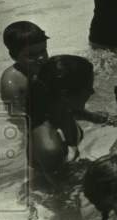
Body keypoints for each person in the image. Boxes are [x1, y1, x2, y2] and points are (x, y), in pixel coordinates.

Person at [27, 55, 98, 183]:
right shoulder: (50, 147)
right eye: (88, 87)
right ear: (65, 95)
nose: (93, 92)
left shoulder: (63, 109)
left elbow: (93, 117)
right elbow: (62, 194)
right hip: (48, 194)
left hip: (74, 173)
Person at [0, 21, 50, 119]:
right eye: (31, 55)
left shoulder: (47, 66)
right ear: (13, 56)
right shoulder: (12, 83)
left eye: (43, 50)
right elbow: (16, 115)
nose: (41, 58)